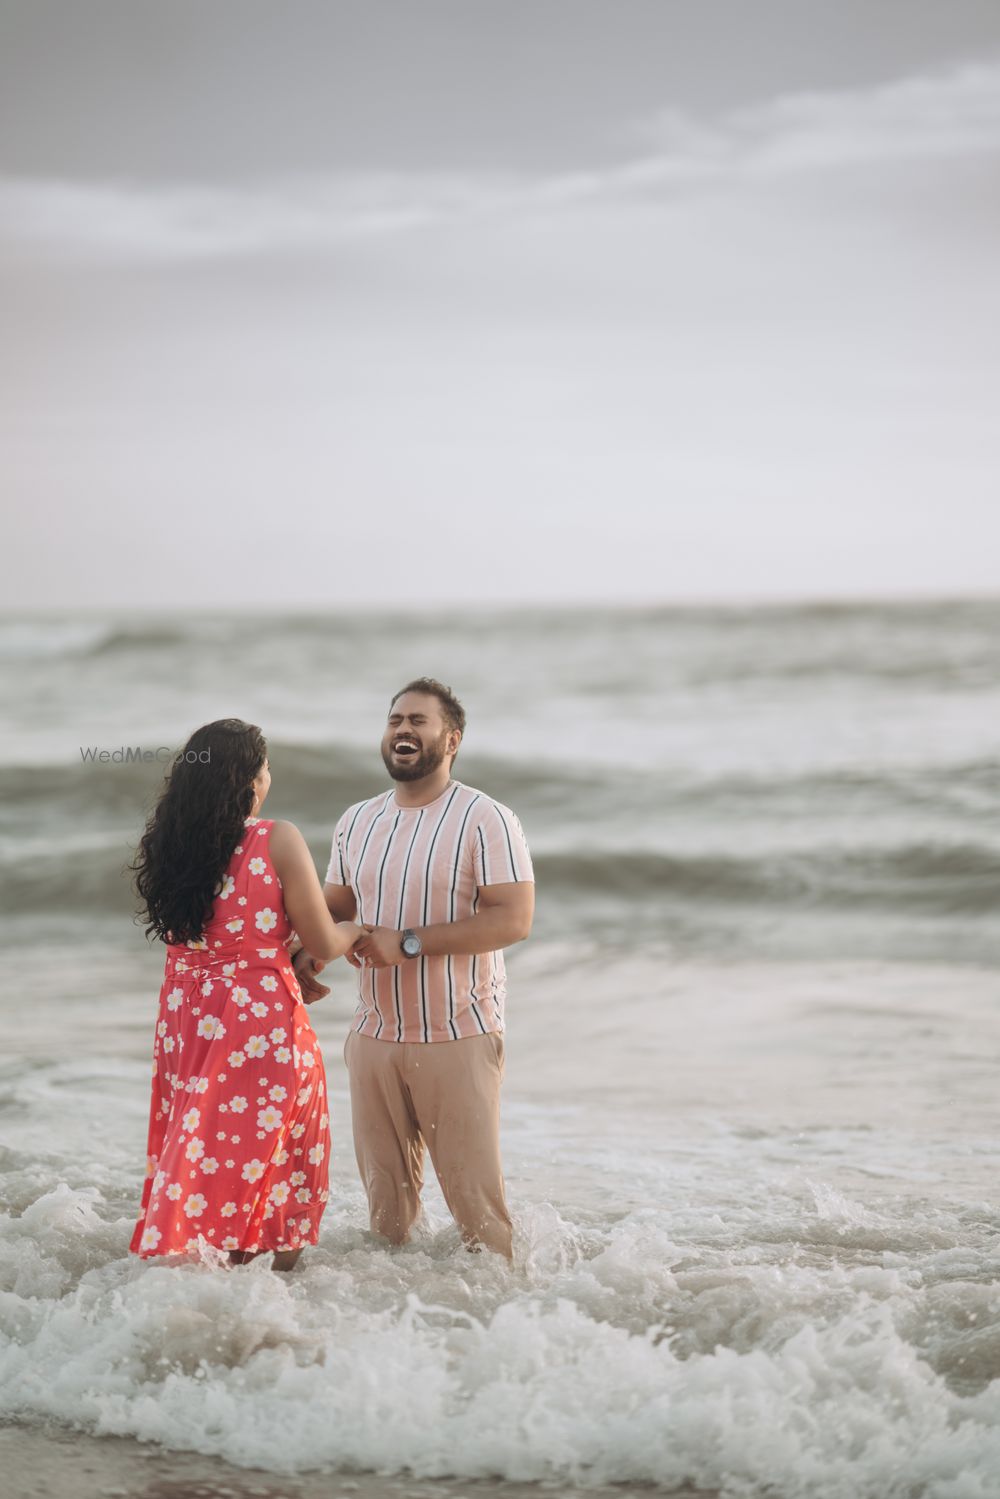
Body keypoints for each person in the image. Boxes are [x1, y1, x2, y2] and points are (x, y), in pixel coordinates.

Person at [294, 678, 534, 1260]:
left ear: (451, 739)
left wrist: (406, 943)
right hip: (373, 1036)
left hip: (456, 1032)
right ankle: (398, 1323)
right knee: (386, 1218)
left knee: (479, 1213)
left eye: (418, 721)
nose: (402, 729)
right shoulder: (357, 820)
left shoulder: (487, 818)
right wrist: (305, 953)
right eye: (395, 719)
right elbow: (335, 909)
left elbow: (513, 919)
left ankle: (499, 1320)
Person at [129, 718, 361, 1270]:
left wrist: (283, 952)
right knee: (280, 1163)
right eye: (265, 766)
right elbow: (325, 936)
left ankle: (210, 1285)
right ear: (249, 778)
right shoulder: (273, 838)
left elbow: (221, 937)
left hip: (188, 1018)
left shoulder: (169, 846)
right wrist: (356, 933)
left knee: (205, 1150)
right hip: (260, 1026)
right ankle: (266, 1310)